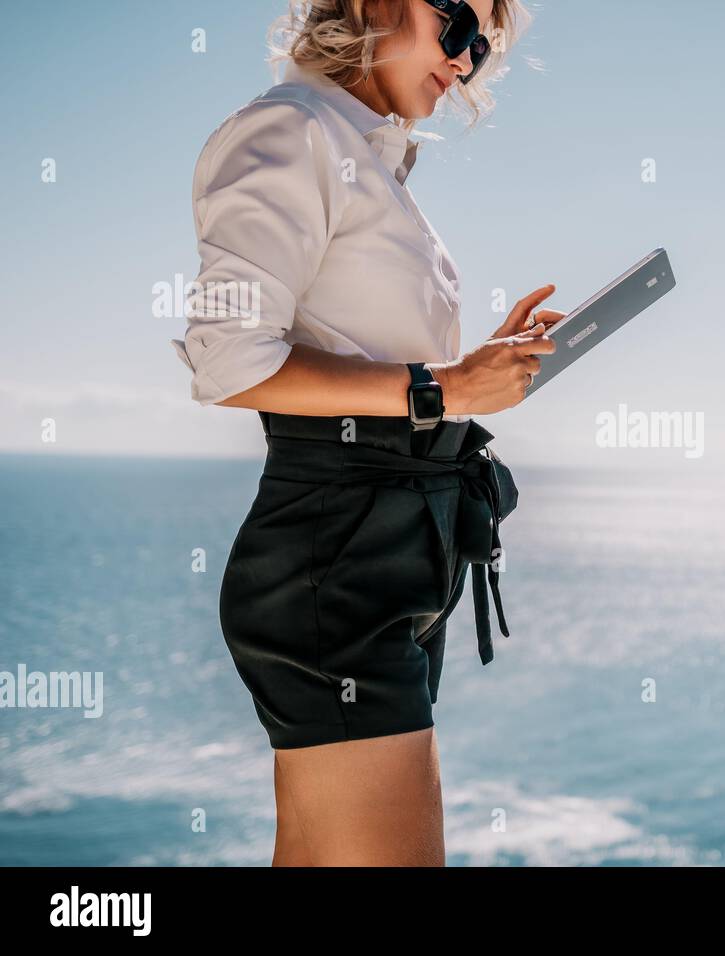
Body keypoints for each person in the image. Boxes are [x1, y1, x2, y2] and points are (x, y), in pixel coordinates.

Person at [170, 0, 555, 866]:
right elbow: (227, 364)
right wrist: (445, 388)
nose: (465, 65)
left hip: (395, 552)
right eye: (461, 30)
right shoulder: (286, 133)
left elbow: (384, 364)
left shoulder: (365, 158)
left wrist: (465, 374)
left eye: (484, 50)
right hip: (335, 560)